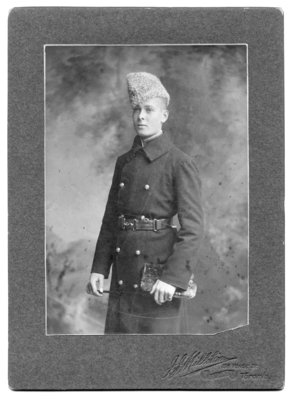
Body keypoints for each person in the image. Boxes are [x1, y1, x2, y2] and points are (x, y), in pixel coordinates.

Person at [88, 72, 204, 334]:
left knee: (157, 358)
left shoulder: (179, 163)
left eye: (149, 109)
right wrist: (99, 268)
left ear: (164, 115)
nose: (141, 116)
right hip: (123, 273)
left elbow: (193, 229)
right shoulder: (124, 162)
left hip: (158, 279)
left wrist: (172, 278)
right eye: (136, 109)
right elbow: (110, 220)